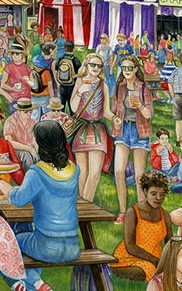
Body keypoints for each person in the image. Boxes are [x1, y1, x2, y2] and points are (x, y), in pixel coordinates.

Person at [0, 121, 81, 291]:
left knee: (6, 245)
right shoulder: (73, 170)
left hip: (46, 246)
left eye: (34, 139)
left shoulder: (36, 172)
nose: (31, 142)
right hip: (73, 246)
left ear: (41, 144)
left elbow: (17, 199)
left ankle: (37, 284)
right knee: (30, 240)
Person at [112, 53, 154, 221]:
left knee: (139, 176)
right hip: (123, 130)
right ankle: (123, 212)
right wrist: (115, 119)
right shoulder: (119, 87)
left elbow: (149, 114)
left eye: (130, 68)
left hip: (139, 130)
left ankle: (142, 212)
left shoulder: (143, 88)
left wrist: (140, 105)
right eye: (124, 68)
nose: (127, 70)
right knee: (118, 171)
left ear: (136, 69)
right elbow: (114, 110)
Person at [68, 50, 113, 203]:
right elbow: (73, 108)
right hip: (81, 129)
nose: (96, 68)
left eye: (99, 66)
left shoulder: (103, 85)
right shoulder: (80, 82)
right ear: (86, 65)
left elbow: (106, 111)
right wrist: (80, 92)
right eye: (93, 65)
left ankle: (86, 205)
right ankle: (82, 205)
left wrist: (115, 118)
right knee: (82, 173)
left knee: (94, 173)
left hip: (98, 131)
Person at [112, 172, 173, 282]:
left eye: (162, 194)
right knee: (146, 271)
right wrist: (155, 261)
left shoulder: (165, 215)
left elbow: (170, 244)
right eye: (153, 194)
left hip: (156, 260)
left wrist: (169, 260)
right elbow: (130, 246)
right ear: (145, 191)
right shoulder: (133, 212)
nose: (158, 198)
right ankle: (115, 270)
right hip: (130, 257)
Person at [4, 97, 39, 170]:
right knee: (26, 156)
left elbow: (35, 139)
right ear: (18, 111)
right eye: (26, 112)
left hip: (30, 147)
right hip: (17, 149)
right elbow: (9, 142)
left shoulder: (32, 122)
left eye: (30, 112)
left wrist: (37, 151)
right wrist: (29, 149)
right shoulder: (10, 121)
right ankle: (29, 175)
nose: (29, 114)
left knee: (40, 156)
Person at [0, 42, 33, 106]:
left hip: (27, 99)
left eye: (17, 54)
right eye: (13, 53)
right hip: (14, 99)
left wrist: (28, 80)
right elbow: (2, 85)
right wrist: (12, 89)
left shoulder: (27, 67)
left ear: (22, 55)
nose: (14, 56)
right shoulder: (8, 67)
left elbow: (33, 84)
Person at [55, 40, 82, 115]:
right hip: (72, 85)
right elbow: (81, 72)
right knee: (71, 104)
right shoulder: (75, 60)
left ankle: (61, 117)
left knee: (62, 104)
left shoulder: (60, 59)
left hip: (62, 85)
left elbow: (57, 70)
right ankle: (72, 118)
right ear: (73, 49)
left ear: (64, 49)